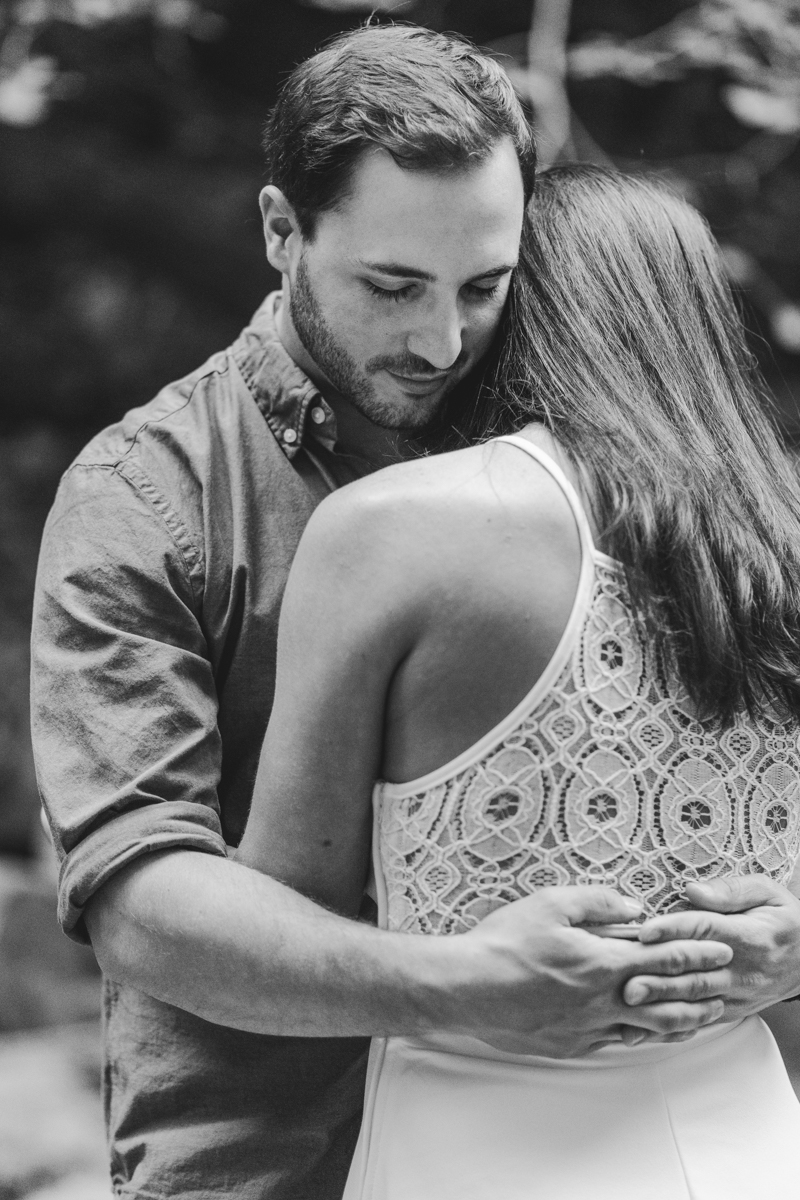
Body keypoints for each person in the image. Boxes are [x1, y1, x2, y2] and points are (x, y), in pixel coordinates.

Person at [29, 25, 792, 1200]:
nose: (440, 341)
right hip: (261, 1154)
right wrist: (465, 984)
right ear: (282, 229)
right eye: (391, 287)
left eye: (484, 287)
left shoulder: (580, 448)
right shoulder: (146, 495)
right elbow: (140, 901)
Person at [236, 164, 800, 1199]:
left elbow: (275, 924)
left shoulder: (391, 532)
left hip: (475, 1142)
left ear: (516, 303)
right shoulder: (777, 538)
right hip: (749, 1137)